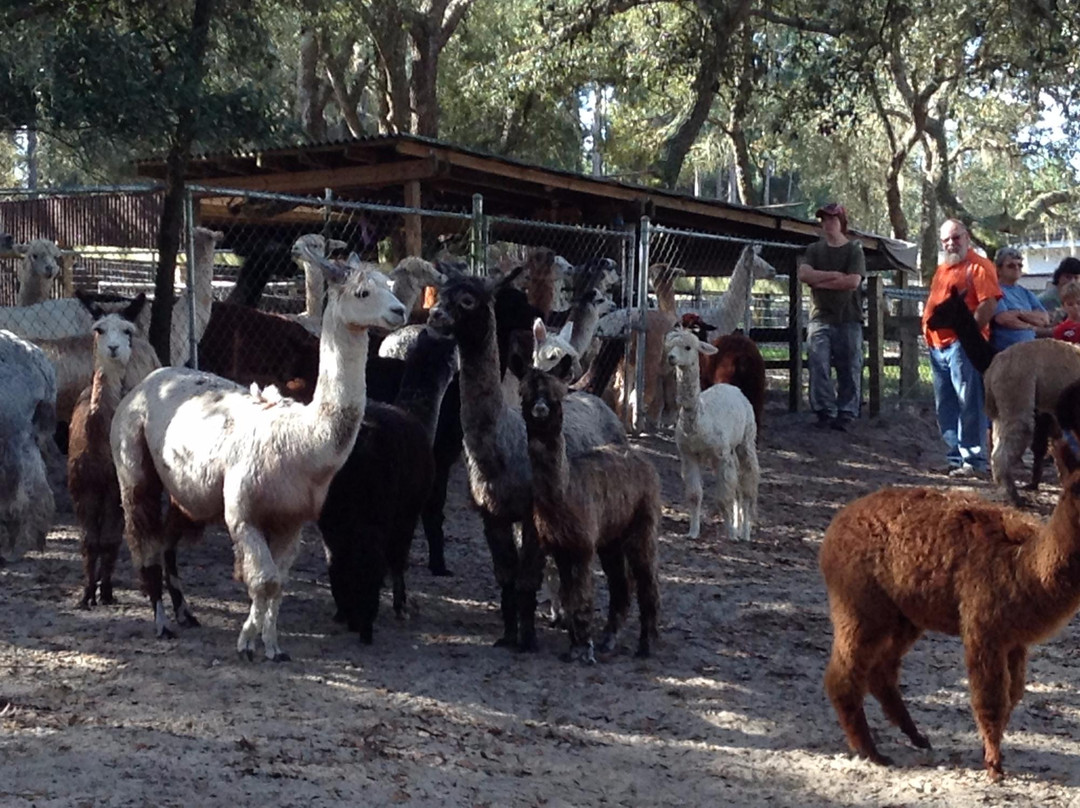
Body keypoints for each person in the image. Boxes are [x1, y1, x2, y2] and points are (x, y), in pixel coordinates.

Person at [922, 219, 1002, 477]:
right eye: (946, 240)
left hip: (961, 347)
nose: (951, 244)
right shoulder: (943, 269)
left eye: (955, 238)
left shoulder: (979, 267)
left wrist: (968, 337)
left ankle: (974, 460)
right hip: (937, 347)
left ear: (967, 237)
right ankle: (955, 457)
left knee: (969, 402)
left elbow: (989, 304)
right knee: (946, 404)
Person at [797, 202, 865, 432]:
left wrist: (820, 281)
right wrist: (835, 275)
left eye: (833, 219)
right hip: (820, 317)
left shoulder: (854, 250)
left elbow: (853, 281)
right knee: (818, 363)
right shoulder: (814, 250)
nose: (828, 224)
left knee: (850, 366)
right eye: (824, 219)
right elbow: (804, 274)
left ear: (842, 222)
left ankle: (847, 411)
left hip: (849, 318)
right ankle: (825, 410)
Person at [990, 246, 1047, 353]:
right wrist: (1030, 325)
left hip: (1031, 350)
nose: (1016, 268)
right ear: (999, 269)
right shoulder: (994, 290)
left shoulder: (1026, 293)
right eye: (1011, 266)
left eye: (1019, 265)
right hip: (1007, 353)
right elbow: (1003, 319)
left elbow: (1044, 319)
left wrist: (1019, 313)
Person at [1036, 256, 1080, 334]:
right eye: (1068, 277)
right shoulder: (1045, 299)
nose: (1072, 281)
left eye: (1076, 278)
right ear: (1058, 277)